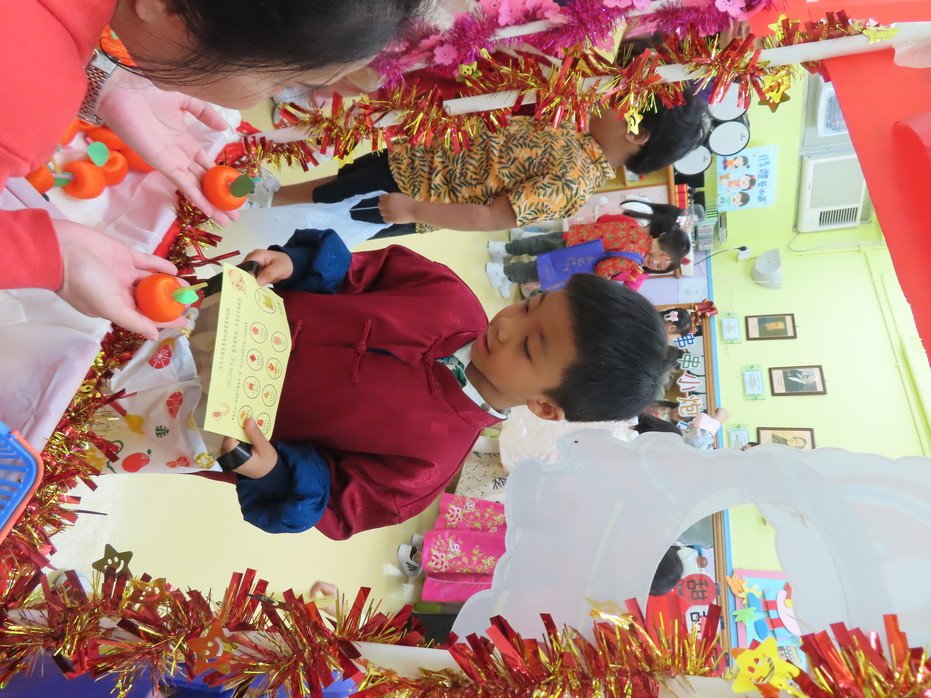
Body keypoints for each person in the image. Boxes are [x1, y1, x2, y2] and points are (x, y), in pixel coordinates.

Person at [207, 231, 669, 540]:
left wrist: (273, 471)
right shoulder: (447, 294)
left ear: (545, 407)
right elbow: (359, 272)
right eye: (530, 307)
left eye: (530, 347)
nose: (508, 326)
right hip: (218, 319)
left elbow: (336, 496)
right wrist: (296, 263)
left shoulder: (425, 466)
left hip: (207, 424)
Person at [1, 0, 422, 338]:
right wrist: (51, 255)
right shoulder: (26, 114)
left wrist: (104, 79)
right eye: (282, 83)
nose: (274, 96)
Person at [269, 92, 710, 237]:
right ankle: (270, 199)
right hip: (416, 159)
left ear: (636, 132)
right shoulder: (576, 130)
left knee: (329, 210)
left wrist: (415, 210)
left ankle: (267, 210)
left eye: (623, 99)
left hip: (414, 195)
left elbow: (491, 217)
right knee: (339, 184)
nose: (609, 95)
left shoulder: (573, 180)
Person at [485, 203, 690, 295]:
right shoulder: (633, 259)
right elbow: (603, 268)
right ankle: (503, 272)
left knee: (538, 243)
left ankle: (502, 249)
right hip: (575, 257)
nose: (656, 264)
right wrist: (603, 281)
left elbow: (606, 220)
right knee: (538, 269)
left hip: (573, 237)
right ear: (664, 256)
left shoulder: (635, 228)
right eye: (661, 264)